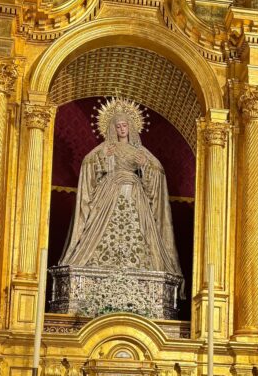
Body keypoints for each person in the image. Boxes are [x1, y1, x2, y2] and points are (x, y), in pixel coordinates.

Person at [57, 97, 182, 283]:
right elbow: (89, 163)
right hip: (110, 191)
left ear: (130, 127)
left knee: (139, 231)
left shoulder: (139, 150)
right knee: (101, 229)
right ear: (112, 128)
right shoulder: (107, 147)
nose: (122, 129)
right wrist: (104, 158)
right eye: (118, 126)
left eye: (124, 126)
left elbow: (158, 171)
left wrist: (145, 165)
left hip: (134, 193)